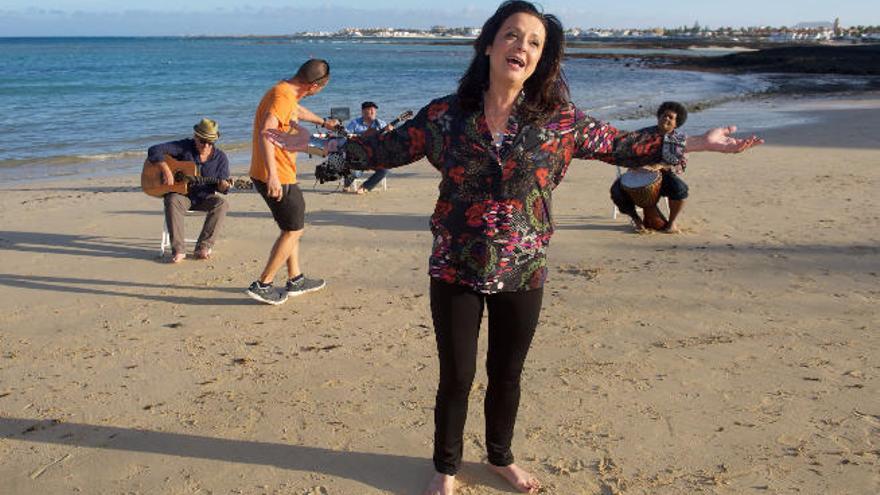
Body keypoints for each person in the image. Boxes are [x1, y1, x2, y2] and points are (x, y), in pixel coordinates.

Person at [266, 2, 763, 493]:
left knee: (507, 372)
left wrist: (697, 142)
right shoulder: (446, 115)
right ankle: (446, 465)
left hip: (524, 267)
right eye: (511, 35)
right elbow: (387, 148)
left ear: (541, 58)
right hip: (455, 264)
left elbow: (623, 145)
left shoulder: (559, 120)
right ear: (488, 44)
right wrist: (315, 143)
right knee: (456, 375)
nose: (521, 47)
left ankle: (501, 458)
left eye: (534, 42)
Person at [245, 59, 339, 305]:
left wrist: (323, 122)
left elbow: (295, 111)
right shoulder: (283, 97)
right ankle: (263, 284)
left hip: (270, 172)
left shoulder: (284, 90)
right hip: (276, 175)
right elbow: (267, 131)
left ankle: (295, 278)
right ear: (314, 86)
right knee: (294, 230)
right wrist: (273, 176)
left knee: (291, 227)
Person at [145, 118, 230, 264]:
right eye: (202, 141)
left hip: (204, 198)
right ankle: (179, 250)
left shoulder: (220, 158)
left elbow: (222, 187)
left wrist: (224, 185)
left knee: (222, 203)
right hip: (182, 197)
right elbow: (154, 149)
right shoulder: (184, 147)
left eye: (210, 142)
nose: (206, 145)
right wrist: (166, 170)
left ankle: (203, 247)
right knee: (171, 199)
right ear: (195, 136)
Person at [610, 101, 690, 233]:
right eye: (664, 115)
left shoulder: (679, 139)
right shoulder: (642, 134)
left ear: (677, 123)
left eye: (671, 117)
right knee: (616, 191)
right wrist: (632, 164)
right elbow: (623, 149)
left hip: (663, 176)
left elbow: (681, 164)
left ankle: (672, 223)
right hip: (638, 172)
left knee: (681, 189)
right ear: (659, 116)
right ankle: (637, 220)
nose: (666, 118)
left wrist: (660, 166)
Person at [342, 101, 392, 194]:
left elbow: (388, 141)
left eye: (374, 110)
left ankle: (365, 187)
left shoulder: (381, 124)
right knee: (354, 173)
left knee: (384, 169)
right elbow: (345, 136)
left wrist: (390, 132)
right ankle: (346, 184)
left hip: (374, 157)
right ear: (363, 111)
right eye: (370, 110)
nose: (373, 112)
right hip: (358, 157)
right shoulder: (355, 123)